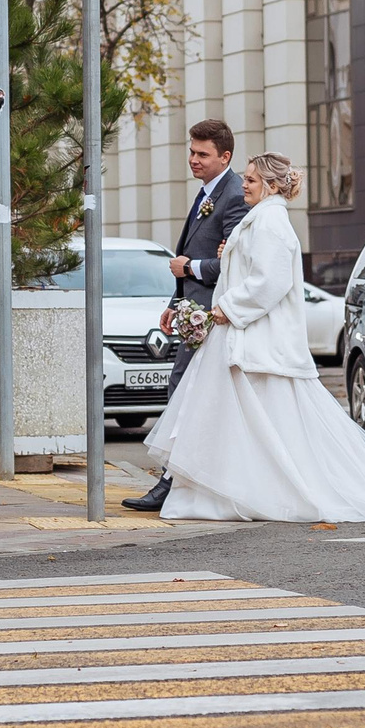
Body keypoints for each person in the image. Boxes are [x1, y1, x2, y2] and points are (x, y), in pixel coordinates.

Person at [144, 152, 365, 524]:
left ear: (272, 185)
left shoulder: (270, 222)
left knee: (270, 424)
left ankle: (254, 492)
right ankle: (234, 490)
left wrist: (226, 308)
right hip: (244, 337)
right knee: (248, 423)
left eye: (250, 180)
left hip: (255, 338)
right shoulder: (262, 219)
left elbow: (271, 282)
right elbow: (256, 269)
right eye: (245, 178)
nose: (243, 185)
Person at [120, 119, 248, 513]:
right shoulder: (208, 192)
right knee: (190, 397)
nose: (193, 159)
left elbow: (234, 263)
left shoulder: (235, 195)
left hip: (216, 318)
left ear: (225, 156)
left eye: (202, 154)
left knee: (185, 395)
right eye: (191, 152)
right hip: (195, 312)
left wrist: (188, 269)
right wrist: (175, 303)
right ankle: (184, 480)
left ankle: (172, 482)